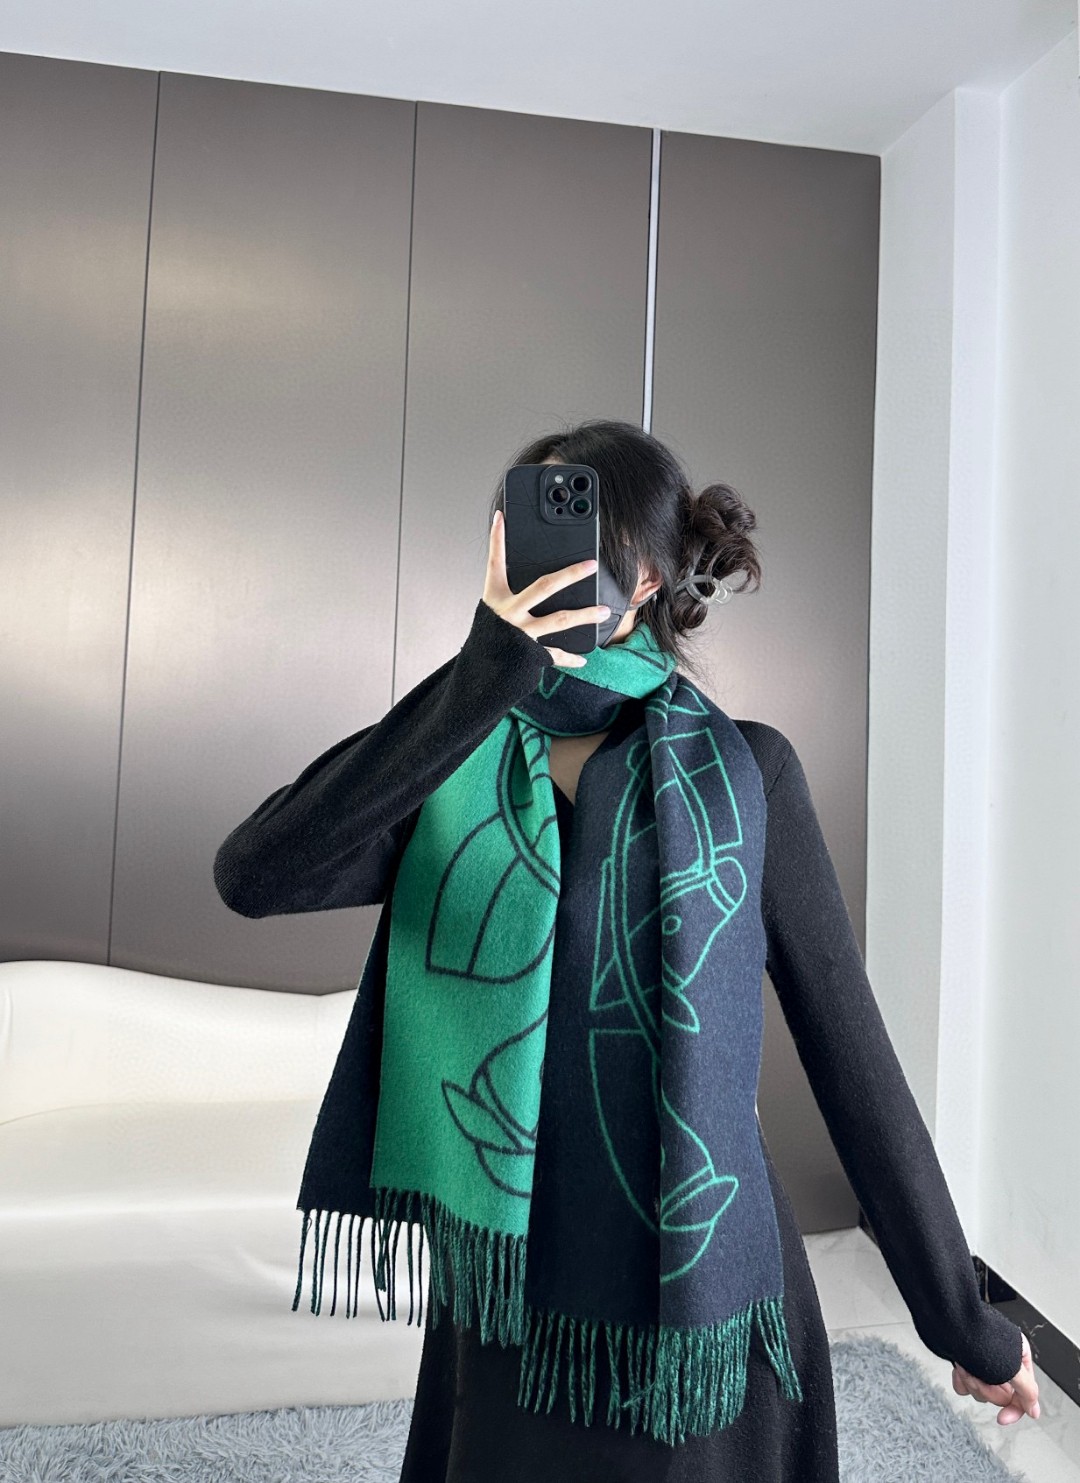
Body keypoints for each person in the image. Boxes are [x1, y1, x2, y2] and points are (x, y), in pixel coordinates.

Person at [214, 420, 1039, 1482]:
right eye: (522, 527)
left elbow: (853, 1057)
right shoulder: (454, 762)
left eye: (574, 531)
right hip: (512, 1301)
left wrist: (964, 1320)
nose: (539, 557)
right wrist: (482, 677)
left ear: (643, 575)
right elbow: (257, 873)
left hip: (700, 1307)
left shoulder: (747, 776)